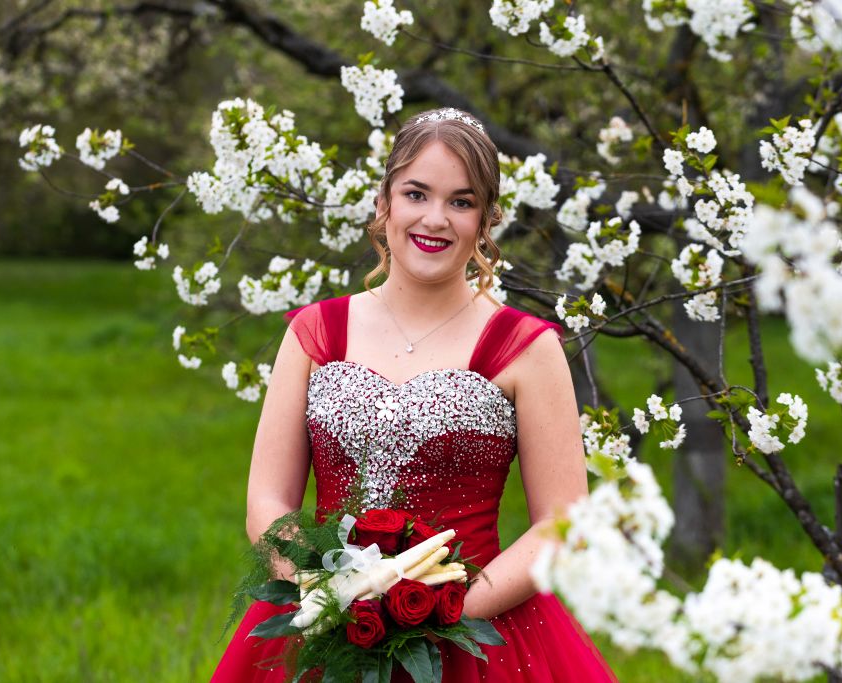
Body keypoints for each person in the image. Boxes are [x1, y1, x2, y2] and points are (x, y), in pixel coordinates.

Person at [212, 107, 618, 682]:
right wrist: (325, 590)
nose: (436, 219)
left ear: (486, 220)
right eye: (417, 194)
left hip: (477, 628)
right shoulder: (316, 333)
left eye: (462, 201)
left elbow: (562, 521)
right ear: (384, 204)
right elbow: (268, 502)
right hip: (330, 627)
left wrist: (449, 612)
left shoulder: (525, 347)